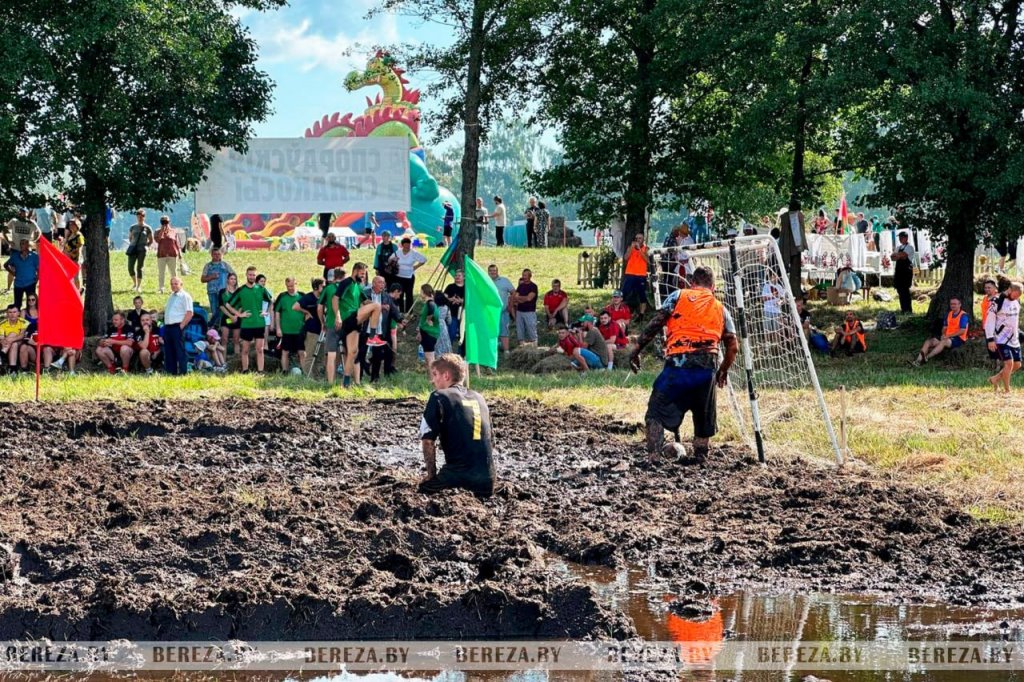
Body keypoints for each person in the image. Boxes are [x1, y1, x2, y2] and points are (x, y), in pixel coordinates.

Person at [629, 266, 739, 462]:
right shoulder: (721, 309)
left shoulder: (679, 295)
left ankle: (654, 458)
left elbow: (656, 322)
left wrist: (637, 350)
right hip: (707, 371)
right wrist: (723, 370)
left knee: (655, 412)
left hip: (678, 366)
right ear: (713, 287)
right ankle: (701, 459)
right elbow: (733, 346)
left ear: (692, 283)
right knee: (704, 418)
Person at [418, 354, 496, 497]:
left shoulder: (438, 396)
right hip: (488, 480)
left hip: (457, 476)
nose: (432, 380)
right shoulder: (480, 398)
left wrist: (431, 476)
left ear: (446, 375)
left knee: (422, 491)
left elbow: (427, 441)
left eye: (435, 375)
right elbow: (491, 441)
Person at [334, 262, 385, 387]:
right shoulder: (346, 283)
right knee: (376, 306)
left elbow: (366, 301)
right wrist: (338, 316)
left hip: (355, 323)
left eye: (364, 275)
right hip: (348, 317)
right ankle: (373, 336)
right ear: (355, 271)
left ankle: (345, 382)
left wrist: (375, 307)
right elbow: (335, 299)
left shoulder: (358, 286)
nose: (363, 277)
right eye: (362, 274)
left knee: (353, 352)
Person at [230, 266, 273, 373]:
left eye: (254, 275)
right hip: (246, 324)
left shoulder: (261, 289)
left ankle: (260, 371)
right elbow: (228, 304)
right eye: (250, 274)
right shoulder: (241, 290)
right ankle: (245, 370)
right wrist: (239, 314)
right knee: (245, 350)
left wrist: (266, 311)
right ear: (246, 275)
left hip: (259, 323)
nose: (252, 277)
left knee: (260, 349)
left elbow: (271, 300)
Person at [986, 282, 1022, 392]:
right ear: (1010, 290)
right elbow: (990, 321)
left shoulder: (1016, 301)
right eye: (1015, 295)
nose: (1016, 298)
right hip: (1001, 338)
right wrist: (990, 339)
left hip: (1014, 338)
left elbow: (1014, 320)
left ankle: (995, 378)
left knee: (1017, 365)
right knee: (1009, 363)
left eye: (1018, 296)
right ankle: (1007, 390)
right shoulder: (997, 301)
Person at [911, 297, 968, 366]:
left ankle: (926, 358)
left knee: (944, 342)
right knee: (929, 341)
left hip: (958, 338)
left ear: (960, 305)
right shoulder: (949, 314)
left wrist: (948, 336)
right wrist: (943, 334)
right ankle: (918, 361)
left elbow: (962, 331)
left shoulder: (963, 316)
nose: (953, 305)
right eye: (951, 304)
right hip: (947, 337)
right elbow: (944, 327)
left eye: (955, 304)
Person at [274, 277, 306, 374]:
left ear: (296, 283)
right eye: (288, 286)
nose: (290, 288)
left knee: (301, 352)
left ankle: (305, 372)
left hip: (300, 330)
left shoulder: (302, 296)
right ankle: (284, 371)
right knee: (285, 352)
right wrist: (278, 328)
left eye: (292, 286)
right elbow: (277, 312)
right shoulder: (282, 296)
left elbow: (308, 312)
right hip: (286, 330)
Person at [163, 276, 194, 376]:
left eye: (176, 284)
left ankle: (183, 372)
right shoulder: (171, 296)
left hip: (177, 326)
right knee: (169, 350)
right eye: (172, 284)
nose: (173, 286)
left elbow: (189, 313)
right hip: (168, 327)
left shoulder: (185, 296)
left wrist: (181, 326)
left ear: (181, 284)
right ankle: (171, 372)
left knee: (180, 350)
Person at [318, 267, 344, 384]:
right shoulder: (348, 287)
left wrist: (322, 321)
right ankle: (350, 381)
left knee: (331, 353)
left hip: (331, 323)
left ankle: (330, 381)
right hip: (347, 324)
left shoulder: (328, 289)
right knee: (349, 352)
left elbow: (320, 307)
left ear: (334, 277)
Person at [779, 199, 808, 295]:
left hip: (791, 246)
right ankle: (791, 290)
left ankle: (794, 289)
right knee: (792, 270)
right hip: (794, 246)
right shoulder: (797, 216)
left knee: (793, 270)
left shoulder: (786, 217)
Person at [200, 248, 235, 328]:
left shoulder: (225, 265)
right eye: (215, 254)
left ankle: (218, 326)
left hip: (223, 292)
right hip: (212, 291)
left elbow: (233, 275)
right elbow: (202, 279)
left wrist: (231, 287)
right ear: (211, 255)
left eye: (219, 254)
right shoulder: (208, 266)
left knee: (223, 309)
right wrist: (211, 277)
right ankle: (215, 327)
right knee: (215, 310)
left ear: (221, 255)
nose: (217, 256)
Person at [297, 277, 324, 375]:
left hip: (322, 330)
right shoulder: (308, 297)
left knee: (319, 356)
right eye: (322, 286)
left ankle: (316, 376)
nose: (325, 288)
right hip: (312, 329)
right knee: (309, 354)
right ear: (316, 287)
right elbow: (295, 306)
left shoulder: (323, 297)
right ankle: (308, 376)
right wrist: (306, 312)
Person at [488, 264, 516, 355]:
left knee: (504, 331)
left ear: (497, 271)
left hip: (503, 312)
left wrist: (510, 305)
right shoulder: (485, 281)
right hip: (489, 312)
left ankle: (506, 351)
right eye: (491, 270)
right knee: (491, 332)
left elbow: (513, 292)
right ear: (488, 272)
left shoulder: (505, 281)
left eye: (494, 270)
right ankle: (492, 352)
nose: (492, 272)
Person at [4, 240, 39, 309]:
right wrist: (13, 273)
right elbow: (5, 265)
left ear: (28, 245)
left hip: (30, 284)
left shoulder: (34, 256)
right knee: (17, 305)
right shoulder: (15, 256)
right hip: (18, 284)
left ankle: (30, 318)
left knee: (31, 305)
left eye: (23, 243)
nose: (21, 245)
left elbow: (39, 269)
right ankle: (17, 318)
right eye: (20, 244)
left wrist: (37, 279)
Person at [622, 233, 650, 318]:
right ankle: (621, 311)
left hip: (641, 275)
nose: (638, 240)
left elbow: (648, 261)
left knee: (642, 295)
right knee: (624, 293)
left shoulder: (646, 248)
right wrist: (631, 248)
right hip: (630, 274)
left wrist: (640, 250)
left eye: (640, 238)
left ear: (643, 240)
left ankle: (641, 315)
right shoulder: (630, 247)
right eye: (636, 238)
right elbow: (625, 258)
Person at [395, 237, 427, 312]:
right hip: (399, 276)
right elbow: (390, 259)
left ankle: (409, 312)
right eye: (405, 246)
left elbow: (424, 259)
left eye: (408, 246)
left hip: (409, 277)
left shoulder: (413, 253)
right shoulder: (398, 252)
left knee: (409, 295)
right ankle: (400, 311)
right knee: (400, 294)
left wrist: (415, 267)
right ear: (402, 245)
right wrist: (395, 264)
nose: (407, 247)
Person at [126, 210, 153, 293]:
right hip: (133, 248)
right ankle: (135, 283)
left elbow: (151, 240)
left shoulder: (147, 228)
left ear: (144, 217)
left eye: (141, 216)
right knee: (130, 267)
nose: (140, 218)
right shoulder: (133, 227)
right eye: (138, 216)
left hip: (142, 250)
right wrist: (133, 244)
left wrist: (146, 246)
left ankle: (138, 286)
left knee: (139, 268)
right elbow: (130, 238)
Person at [511, 268, 539, 346]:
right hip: (520, 311)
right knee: (520, 331)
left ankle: (534, 347)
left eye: (526, 275)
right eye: (523, 275)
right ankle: (521, 346)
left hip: (529, 312)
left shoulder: (533, 286)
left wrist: (521, 298)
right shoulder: (521, 286)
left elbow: (529, 298)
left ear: (530, 276)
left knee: (531, 330)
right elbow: (515, 297)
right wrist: (524, 298)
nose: (524, 277)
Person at [218, 272, 242, 359]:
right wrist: (230, 316)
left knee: (236, 340)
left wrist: (236, 316)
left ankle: (236, 361)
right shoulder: (222, 292)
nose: (233, 281)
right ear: (228, 280)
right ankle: (222, 361)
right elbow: (221, 306)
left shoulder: (239, 292)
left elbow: (242, 305)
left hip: (237, 318)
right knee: (224, 339)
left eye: (235, 279)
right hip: (226, 317)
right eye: (231, 279)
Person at [154, 216, 180, 294]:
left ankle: (176, 287)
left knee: (173, 272)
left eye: (166, 222)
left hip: (172, 254)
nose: (165, 224)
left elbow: (176, 243)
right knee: (161, 272)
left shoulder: (173, 231)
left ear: (169, 222)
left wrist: (180, 254)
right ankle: (161, 288)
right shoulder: (157, 231)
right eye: (163, 222)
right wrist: (162, 231)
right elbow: (158, 240)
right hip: (161, 254)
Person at [0, 304, 28, 374]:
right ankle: (13, 370)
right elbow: (2, 338)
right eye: (10, 312)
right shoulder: (2, 323)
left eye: (14, 312)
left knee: (13, 334)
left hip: (20, 343)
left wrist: (11, 339)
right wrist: (6, 341)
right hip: (7, 345)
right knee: (14, 344)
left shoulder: (23, 322)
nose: (12, 314)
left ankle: (1, 355)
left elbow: (22, 335)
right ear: (7, 314)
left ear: (18, 313)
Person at [418, 283, 441, 369]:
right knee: (428, 358)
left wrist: (428, 319)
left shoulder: (430, 303)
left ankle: (433, 379)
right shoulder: (430, 302)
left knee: (430, 358)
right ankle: (432, 378)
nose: (420, 293)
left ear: (424, 292)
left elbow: (431, 309)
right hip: (427, 333)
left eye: (421, 291)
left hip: (429, 333)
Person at [892, 232, 916, 313]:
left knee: (905, 290)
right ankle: (903, 309)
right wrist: (898, 255)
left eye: (901, 237)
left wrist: (898, 255)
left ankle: (908, 309)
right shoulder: (898, 247)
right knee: (899, 289)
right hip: (899, 270)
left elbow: (903, 255)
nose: (900, 239)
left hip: (906, 271)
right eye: (899, 237)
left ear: (906, 238)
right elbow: (892, 257)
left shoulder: (910, 247)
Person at [443, 270, 465, 348]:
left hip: (464, 315)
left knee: (463, 335)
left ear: (464, 277)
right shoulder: (450, 286)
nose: (457, 277)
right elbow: (444, 297)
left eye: (459, 275)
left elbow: (471, 300)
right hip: (452, 314)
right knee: (451, 333)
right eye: (456, 275)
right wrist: (450, 299)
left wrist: (461, 301)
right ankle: (449, 349)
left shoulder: (467, 288)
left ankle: (461, 353)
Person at [981, 279, 1001, 365]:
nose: (987, 289)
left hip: (995, 326)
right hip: (986, 326)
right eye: (985, 288)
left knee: (997, 345)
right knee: (989, 346)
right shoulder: (985, 298)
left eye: (989, 287)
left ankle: (999, 364)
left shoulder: (998, 298)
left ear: (995, 288)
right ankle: (994, 364)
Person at [62, 219, 85, 291]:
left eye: (73, 225)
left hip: (75, 259)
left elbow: (79, 247)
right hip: (68, 259)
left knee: (76, 276)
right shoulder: (70, 235)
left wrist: (71, 254)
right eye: (70, 225)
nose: (71, 226)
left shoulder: (79, 236)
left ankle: (78, 290)